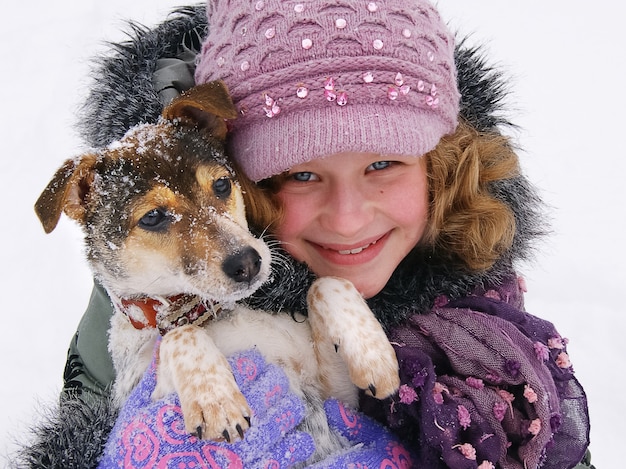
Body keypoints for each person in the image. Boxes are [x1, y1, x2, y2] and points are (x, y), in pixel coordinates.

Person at [13, 1, 593, 468]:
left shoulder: (484, 324)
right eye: (302, 175)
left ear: (440, 169)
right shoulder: (153, 295)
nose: (346, 218)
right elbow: (89, 404)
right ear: (242, 175)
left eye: (383, 164)